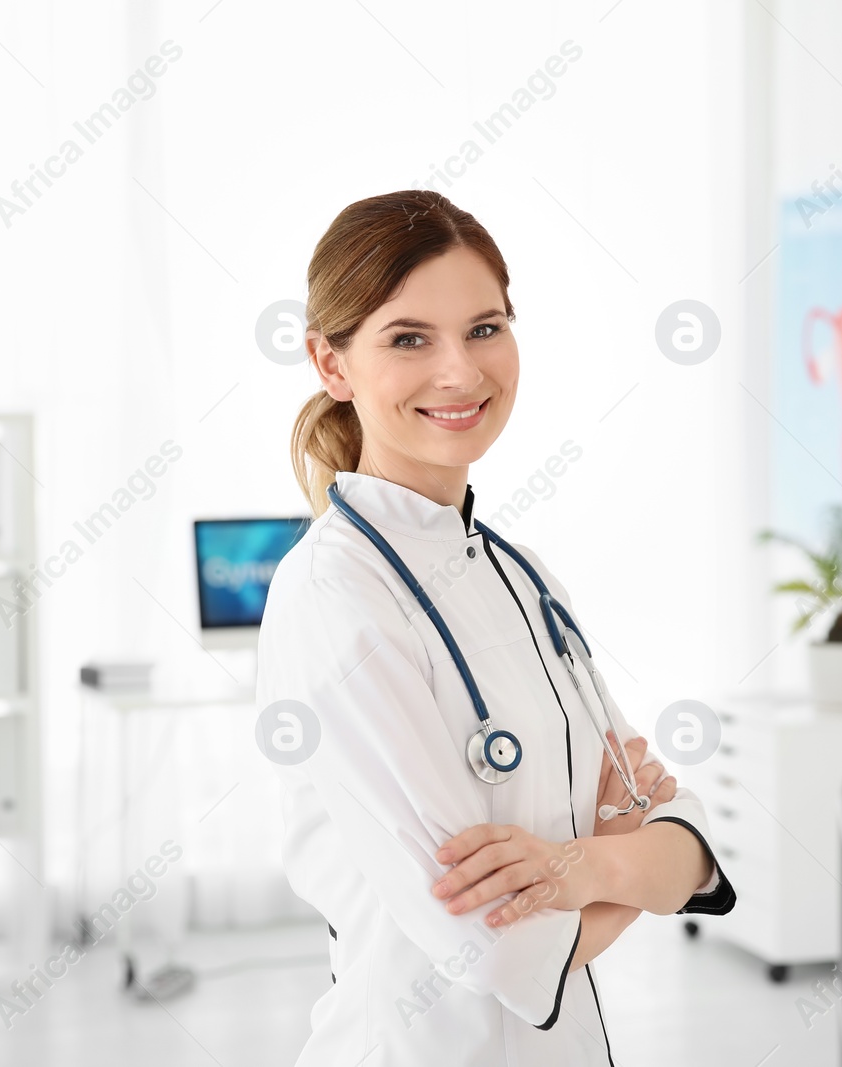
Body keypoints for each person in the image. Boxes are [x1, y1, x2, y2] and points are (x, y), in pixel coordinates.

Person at [256, 189, 736, 1066]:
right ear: (331, 363)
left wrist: (578, 870)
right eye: (409, 338)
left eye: (485, 328)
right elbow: (495, 943)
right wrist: (629, 858)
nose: (461, 371)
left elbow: (696, 847)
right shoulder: (334, 595)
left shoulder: (521, 577)